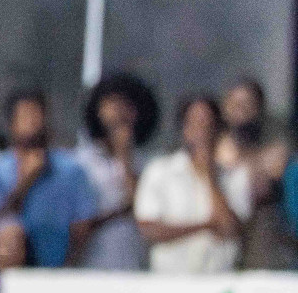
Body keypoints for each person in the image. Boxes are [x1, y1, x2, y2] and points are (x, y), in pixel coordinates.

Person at [135, 96, 252, 274]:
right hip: (169, 281)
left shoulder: (235, 177)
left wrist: (210, 177)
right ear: (184, 129)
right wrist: (205, 226)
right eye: (196, 123)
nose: (203, 131)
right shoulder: (160, 171)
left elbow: (230, 228)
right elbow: (149, 229)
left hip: (218, 282)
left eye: (209, 124)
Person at [0, 90, 97, 268]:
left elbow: (82, 227)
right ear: (12, 124)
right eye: (26, 115)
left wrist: (68, 269)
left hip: (58, 272)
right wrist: (26, 181)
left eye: (38, 114)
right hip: (10, 276)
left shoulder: (71, 169)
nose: (34, 122)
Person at [73, 72, 157, 270]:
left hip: (133, 264)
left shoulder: (150, 165)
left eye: (127, 106)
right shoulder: (82, 163)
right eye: (111, 104)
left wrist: (125, 159)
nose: (119, 112)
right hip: (91, 265)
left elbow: (144, 210)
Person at [216, 78, 294, 269]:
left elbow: (272, 173)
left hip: (259, 233)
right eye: (235, 103)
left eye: (248, 104)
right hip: (219, 232)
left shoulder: (276, 141)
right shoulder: (215, 143)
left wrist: (244, 159)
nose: (240, 110)